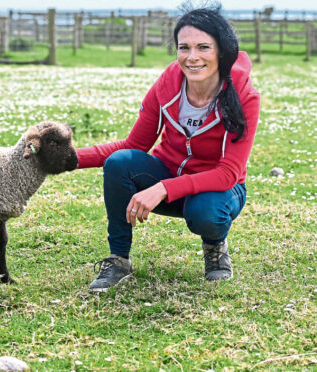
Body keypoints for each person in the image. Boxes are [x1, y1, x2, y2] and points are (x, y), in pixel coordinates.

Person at [76, 7, 260, 292]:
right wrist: (68, 158)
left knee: (206, 213)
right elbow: (133, 146)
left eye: (203, 47)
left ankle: (215, 246)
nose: (192, 57)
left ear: (221, 51)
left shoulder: (244, 94)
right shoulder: (167, 84)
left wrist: (163, 188)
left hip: (217, 191)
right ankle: (118, 259)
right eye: (183, 47)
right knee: (119, 162)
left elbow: (228, 174)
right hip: (168, 175)